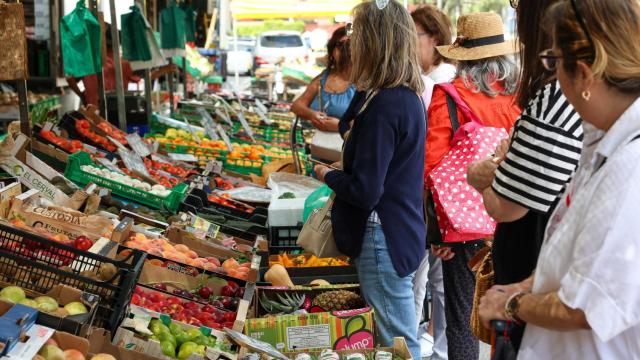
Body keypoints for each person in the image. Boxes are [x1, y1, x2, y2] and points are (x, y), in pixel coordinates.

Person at [479, 0, 640, 358]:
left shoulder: (629, 167)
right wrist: (521, 288)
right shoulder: (605, 144)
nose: (552, 76)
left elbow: (585, 306)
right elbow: (568, 257)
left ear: (582, 72)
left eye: (553, 62)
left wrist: (512, 304)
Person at [466, 0, 583, 354]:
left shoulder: (555, 99)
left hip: (536, 307)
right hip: (537, 292)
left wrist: (480, 175)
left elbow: (506, 206)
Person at [313, 1, 426, 359]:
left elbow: (365, 190)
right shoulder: (400, 97)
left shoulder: (386, 106)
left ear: (375, 42)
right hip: (398, 229)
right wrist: (363, 84)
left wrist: (327, 174)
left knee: (398, 342)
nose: (350, 42)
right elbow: (348, 125)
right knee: (392, 338)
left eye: (358, 33)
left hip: (382, 234)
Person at [426, 12, 521, 360]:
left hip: (466, 228)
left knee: (463, 315)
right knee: (513, 311)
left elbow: (433, 165)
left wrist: (439, 234)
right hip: (515, 218)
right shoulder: (520, 96)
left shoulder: (449, 95)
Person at [410, 5, 456, 360]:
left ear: (435, 39)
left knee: (428, 277)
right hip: (437, 194)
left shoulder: (437, 82)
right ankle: (429, 348)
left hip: (433, 194)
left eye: (415, 35)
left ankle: (428, 349)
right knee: (427, 277)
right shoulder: (435, 77)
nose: (409, 43)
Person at [291, 26, 355, 132]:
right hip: (320, 145)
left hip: (349, 146)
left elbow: (372, 124)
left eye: (350, 44)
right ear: (332, 51)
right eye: (340, 45)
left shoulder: (366, 83)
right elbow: (297, 105)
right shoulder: (323, 78)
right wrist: (312, 114)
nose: (345, 50)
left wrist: (341, 127)